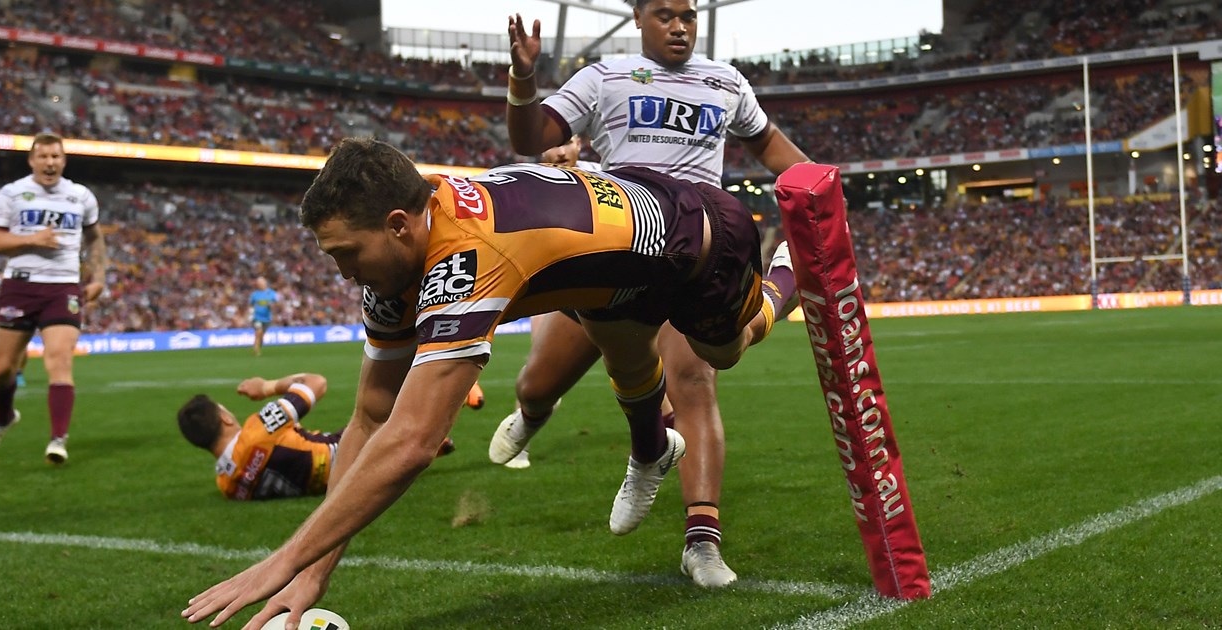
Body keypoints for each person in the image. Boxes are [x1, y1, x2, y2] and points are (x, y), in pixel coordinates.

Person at [180, 138, 783, 628]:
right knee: (626, 357)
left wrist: (283, 558)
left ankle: (785, 279)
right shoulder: (396, 264)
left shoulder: (464, 258)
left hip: (697, 238)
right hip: (604, 260)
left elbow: (413, 440)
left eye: (347, 254)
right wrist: (311, 575)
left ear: (397, 226)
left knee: (722, 349)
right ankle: (654, 450)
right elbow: (370, 418)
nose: (343, 275)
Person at [501, 0, 808, 587]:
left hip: (697, 249)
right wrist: (523, 78)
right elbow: (530, 137)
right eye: (665, 14)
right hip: (623, 243)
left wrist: (822, 189)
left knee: (694, 381)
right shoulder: (605, 75)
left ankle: (702, 542)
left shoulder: (726, 81)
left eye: (689, 15)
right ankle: (540, 412)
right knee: (536, 381)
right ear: (638, 16)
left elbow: (775, 151)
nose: (680, 25)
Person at [0, 133, 108, 465]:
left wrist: (100, 276)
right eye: (43, 156)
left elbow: (94, 237)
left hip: (63, 287)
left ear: (64, 161)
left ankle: (58, 439)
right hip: (19, 286)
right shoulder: (12, 194)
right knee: (3, 369)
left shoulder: (81, 196)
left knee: (60, 360)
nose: (50, 163)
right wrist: (35, 238)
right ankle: (4, 417)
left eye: (56, 157)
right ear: (32, 160)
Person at [176, 372, 455, 501]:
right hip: (347, 454)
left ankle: (431, 445)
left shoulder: (226, 484)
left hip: (328, 483)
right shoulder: (258, 430)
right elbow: (316, 382)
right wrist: (267, 386)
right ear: (225, 418)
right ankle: (463, 393)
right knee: (388, 396)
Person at [249, 276, 278, 356]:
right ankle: (256, 350)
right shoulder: (254, 295)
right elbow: (250, 305)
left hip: (267, 318)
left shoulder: (272, 294)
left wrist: (272, 306)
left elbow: (278, 304)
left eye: (260, 283)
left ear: (265, 283)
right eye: (258, 283)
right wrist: (249, 315)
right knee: (258, 332)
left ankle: (259, 344)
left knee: (261, 335)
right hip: (257, 317)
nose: (259, 284)